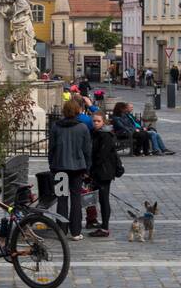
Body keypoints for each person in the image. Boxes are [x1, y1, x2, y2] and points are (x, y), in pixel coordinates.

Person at [48, 98, 92, 240]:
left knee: (61, 200)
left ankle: (61, 229)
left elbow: (52, 149)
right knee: (76, 199)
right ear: (77, 111)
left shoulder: (56, 127)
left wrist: (52, 165)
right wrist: (88, 169)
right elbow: (87, 151)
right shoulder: (82, 127)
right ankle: (75, 231)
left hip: (60, 167)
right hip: (78, 169)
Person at [88, 109, 124, 238]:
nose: (96, 123)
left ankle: (105, 228)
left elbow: (101, 156)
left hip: (104, 172)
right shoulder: (95, 133)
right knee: (92, 198)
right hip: (97, 171)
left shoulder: (106, 135)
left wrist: (91, 169)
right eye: (94, 121)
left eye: (98, 121)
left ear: (104, 121)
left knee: (104, 200)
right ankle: (94, 221)